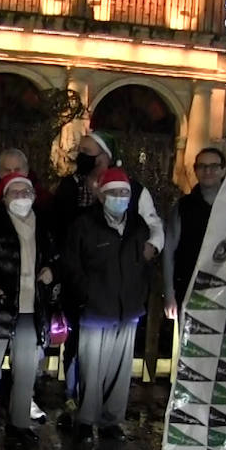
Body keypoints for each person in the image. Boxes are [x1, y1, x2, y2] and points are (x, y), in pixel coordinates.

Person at [52, 130, 164, 415]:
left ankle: (110, 416)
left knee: (117, 361)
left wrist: (149, 251)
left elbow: (153, 229)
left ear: (105, 155)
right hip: (89, 293)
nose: (83, 157)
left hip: (124, 295)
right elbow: (66, 242)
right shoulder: (71, 188)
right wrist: (81, 288)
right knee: (82, 353)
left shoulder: (136, 198)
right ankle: (78, 403)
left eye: (89, 152)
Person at [0, 173, 58, 447]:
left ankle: (18, 424)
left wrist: (52, 270)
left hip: (30, 307)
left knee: (27, 369)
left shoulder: (44, 226)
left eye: (25, 191)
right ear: (4, 197)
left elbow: (56, 257)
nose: (20, 196)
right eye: (14, 192)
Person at [62, 168, 150, 440]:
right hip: (95, 308)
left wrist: (139, 295)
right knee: (91, 367)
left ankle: (111, 421)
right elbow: (72, 265)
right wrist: (86, 295)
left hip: (128, 308)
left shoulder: (138, 225)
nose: (120, 197)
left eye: (124, 192)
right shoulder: (84, 224)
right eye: (114, 192)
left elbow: (143, 265)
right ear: (101, 195)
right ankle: (86, 419)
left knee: (121, 370)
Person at [163, 147, 226, 319]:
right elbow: (169, 250)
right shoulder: (183, 207)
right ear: (195, 170)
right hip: (188, 287)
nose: (208, 171)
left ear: (223, 170)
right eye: (202, 166)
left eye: (214, 166)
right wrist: (169, 294)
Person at [0, 148, 51, 225]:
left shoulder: (44, 200)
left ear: (26, 170)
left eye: (17, 169)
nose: (13, 174)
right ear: (0, 173)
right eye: (7, 170)